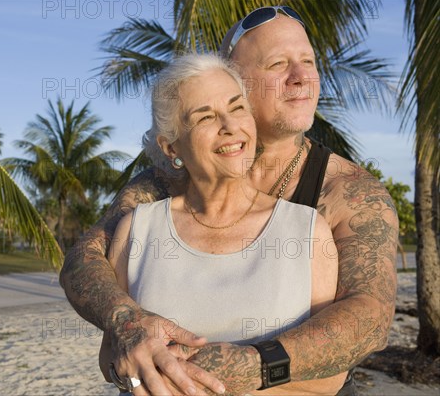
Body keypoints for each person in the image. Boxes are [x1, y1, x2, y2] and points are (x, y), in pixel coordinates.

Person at [60, 5, 398, 396]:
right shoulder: (165, 182)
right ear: (234, 79)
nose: (302, 77)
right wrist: (128, 323)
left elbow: (369, 316)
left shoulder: (348, 192)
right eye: (278, 64)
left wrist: (250, 367)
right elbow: (84, 259)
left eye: (308, 61)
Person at [99, 53, 348, 395]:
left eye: (237, 107)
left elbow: (330, 375)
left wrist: (220, 379)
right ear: (171, 146)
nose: (230, 126)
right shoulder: (137, 230)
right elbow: (110, 359)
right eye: (206, 117)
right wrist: (138, 376)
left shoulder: (308, 231)